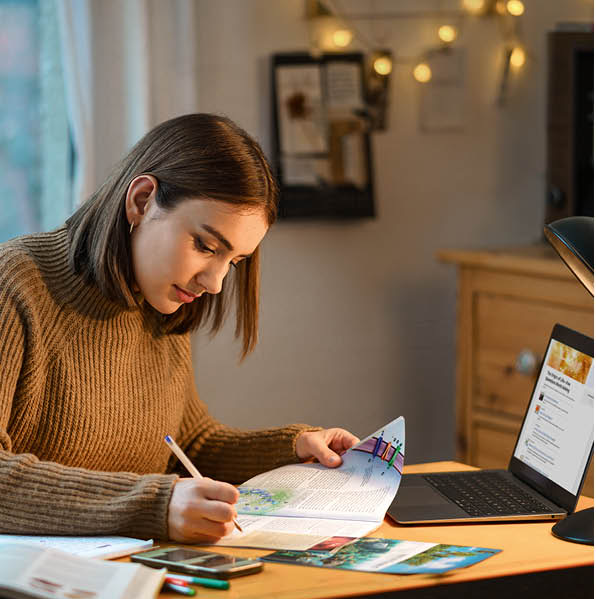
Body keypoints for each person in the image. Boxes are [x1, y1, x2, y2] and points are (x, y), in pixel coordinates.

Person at [0, 113, 359, 543]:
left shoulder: (160, 304)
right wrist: (154, 504)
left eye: (234, 262)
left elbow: (187, 445)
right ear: (142, 199)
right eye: (205, 246)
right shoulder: (15, 286)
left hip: (135, 573)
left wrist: (295, 447)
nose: (214, 283)